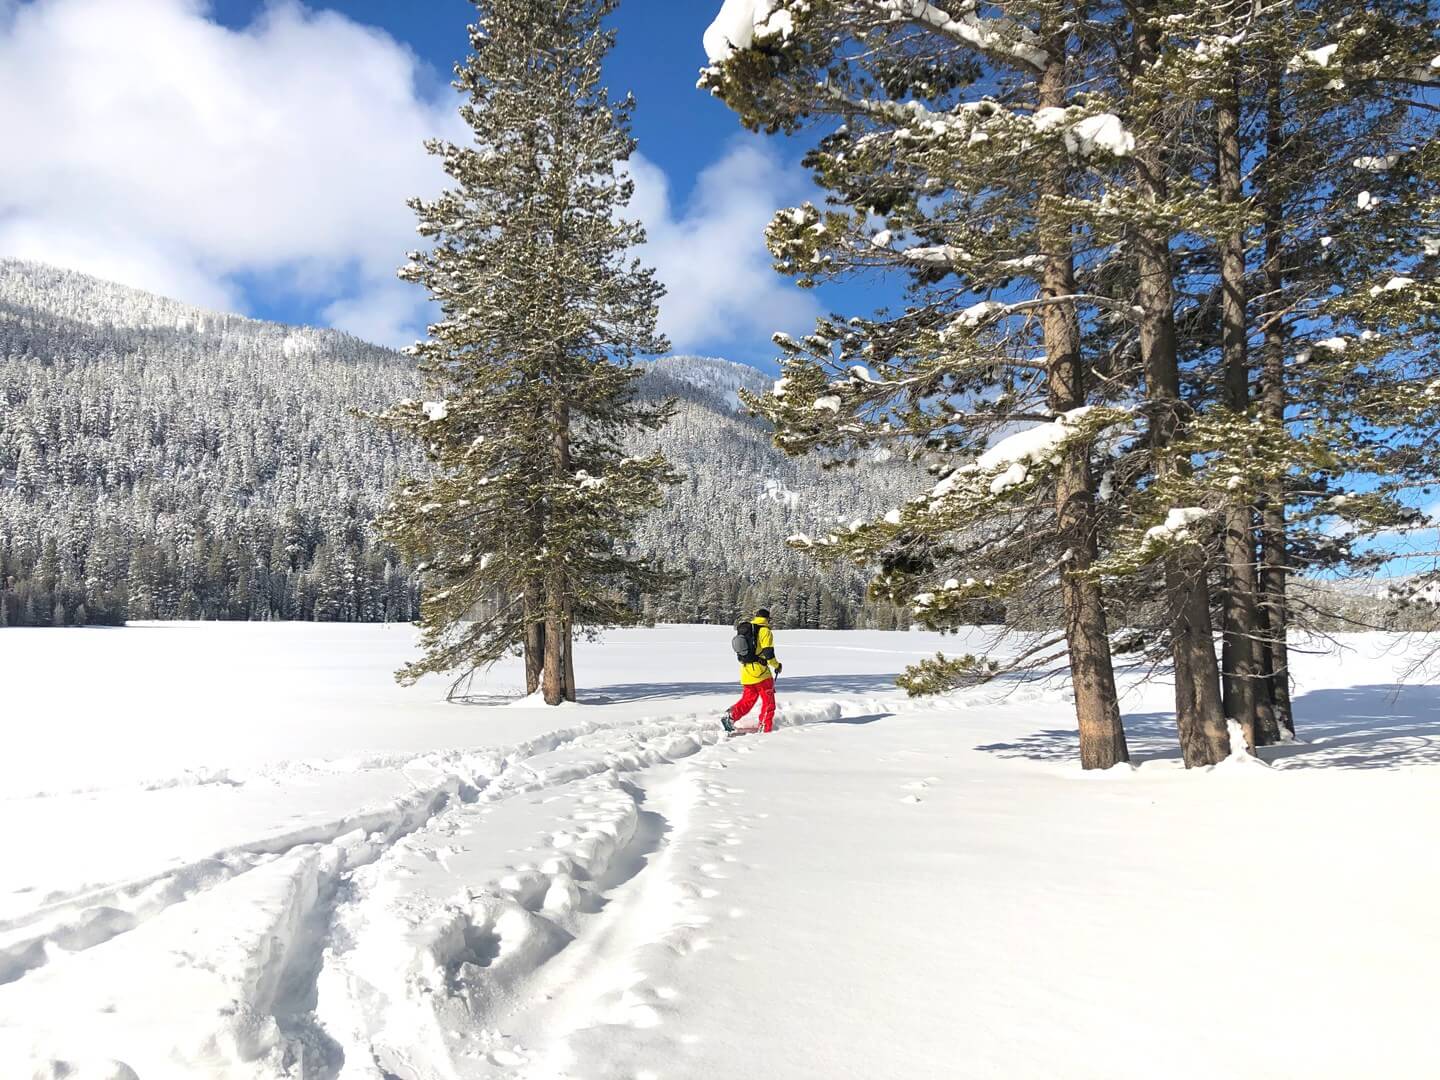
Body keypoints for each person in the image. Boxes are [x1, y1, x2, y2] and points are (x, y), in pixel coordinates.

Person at [724, 608, 782, 734]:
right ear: (768, 619)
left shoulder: (748, 630)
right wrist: (777, 665)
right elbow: (768, 654)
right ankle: (764, 728)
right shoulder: (765, 631)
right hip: (761, 674)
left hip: (746, 672)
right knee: (768, 703)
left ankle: (731, 716)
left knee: (747, 700)